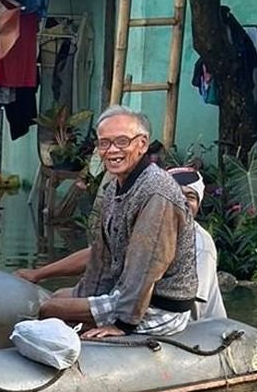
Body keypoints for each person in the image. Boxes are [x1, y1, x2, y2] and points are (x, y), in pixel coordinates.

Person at [38, 105, 198, 338]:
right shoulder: (115, 186)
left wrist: (122, 324)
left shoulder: (156, 192)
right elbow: (102, 256)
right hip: (126, 293)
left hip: (159, 305)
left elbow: (148, 264)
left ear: (142, 144)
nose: (112, 151)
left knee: (49, 309)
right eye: (104, 143)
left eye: (122, 142)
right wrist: (86, 297)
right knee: (58, 298)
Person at [167, 166, 227, 320]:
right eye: (175, 194)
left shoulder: (200, 244)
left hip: (201, 327)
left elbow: (187, 301)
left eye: (190, 196)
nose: (182, 201)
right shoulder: (149, 233)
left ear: (198, 205)